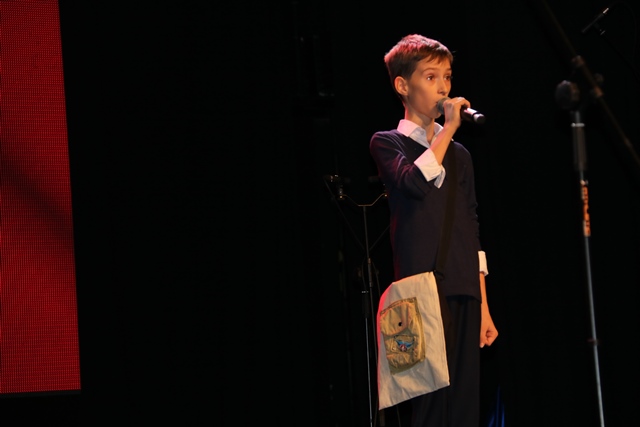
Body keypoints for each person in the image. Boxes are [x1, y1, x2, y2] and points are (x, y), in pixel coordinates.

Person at [369, 34, 498, 427]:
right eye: (430, 77)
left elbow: (471, 225)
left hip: (463, 288)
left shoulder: (459, 155)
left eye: (447, 76)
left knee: (463, 407)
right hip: (418, 294)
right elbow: (413, 183)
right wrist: (447, 132)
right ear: (402, 86)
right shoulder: (387, 143)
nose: (443, 87)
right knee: (430, 409)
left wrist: (484, 306)